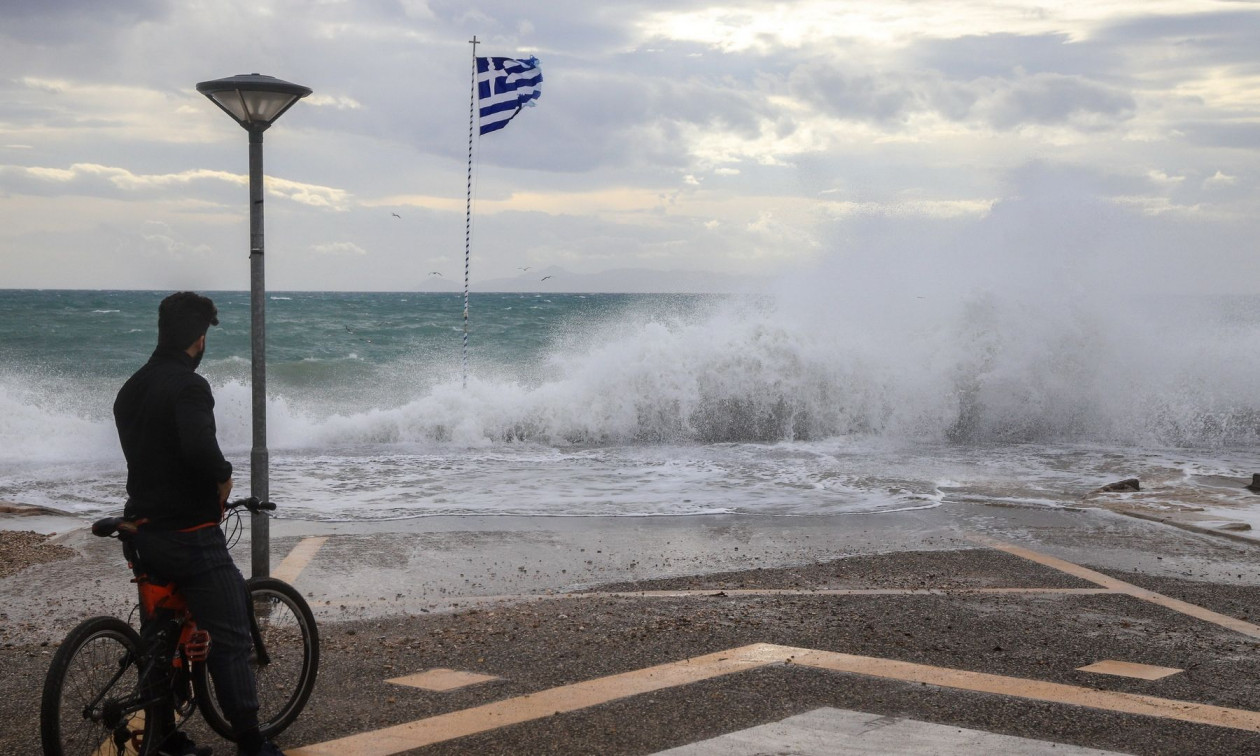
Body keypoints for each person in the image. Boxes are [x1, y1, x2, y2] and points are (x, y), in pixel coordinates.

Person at [113, 292, 283, 756]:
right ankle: (251, 740)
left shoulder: (132, 386)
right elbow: (197, 450)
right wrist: (224, 477)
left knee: (159, 641)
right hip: (188, 534)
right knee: (231, 634)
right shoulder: (189, 386)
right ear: (199, 338)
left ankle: (165, 737)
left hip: (142, 528)